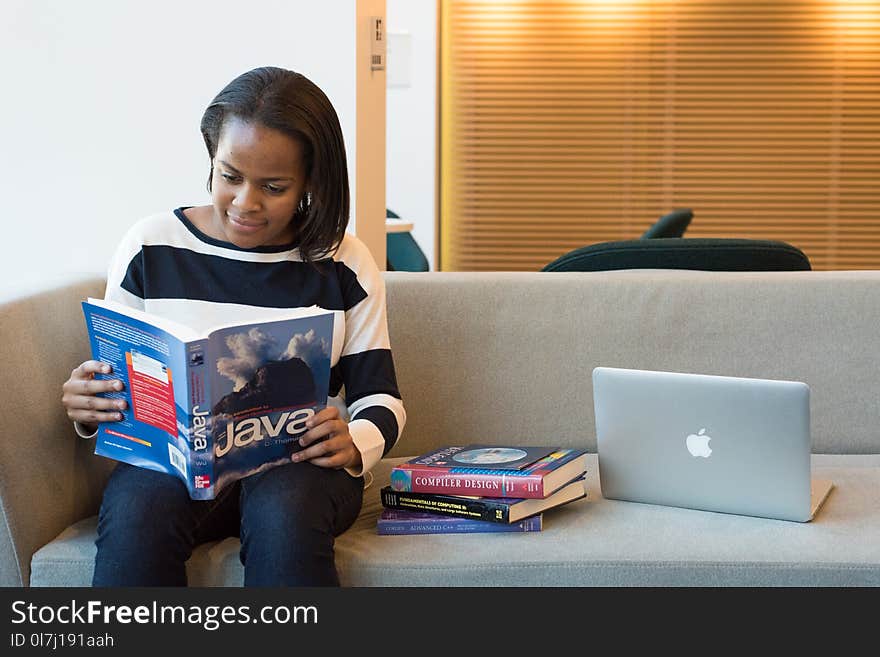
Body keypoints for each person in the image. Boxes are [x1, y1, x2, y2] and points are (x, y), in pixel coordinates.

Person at [60, 66, 406, 586]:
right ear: (211, 157)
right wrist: (90, 403)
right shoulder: (150, 248)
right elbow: (117, 383)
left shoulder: (342, 263)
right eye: (230, 176)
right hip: (179, 469)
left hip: (300, 470)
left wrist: (355, 440)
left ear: (311, 181)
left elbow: (382, 398)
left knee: (285, 508)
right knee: (137, 510)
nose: (246, 202)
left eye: (273, 186)